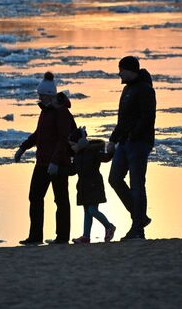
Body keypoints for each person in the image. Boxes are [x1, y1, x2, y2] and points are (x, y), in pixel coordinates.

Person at [15, 72, 77, 245]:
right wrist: (23, 148)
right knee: (35, 197)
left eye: (41, 94)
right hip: (42, 163)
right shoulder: (46, 111)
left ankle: (62, 237)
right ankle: (35, 236)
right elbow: (38, 135)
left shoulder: (61, 113)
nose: (39, 97)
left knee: (61, 200)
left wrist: (55, 162)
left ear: (49, 95)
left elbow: (63, 139)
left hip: (57, 164)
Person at [107, 56, 156, 240]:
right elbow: (122, 121)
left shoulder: (145, 89)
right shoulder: (127, 90)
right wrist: (113, 140)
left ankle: (137, 229)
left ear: (131, 70)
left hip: (139, 143)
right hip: (124, 143)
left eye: (122, 69)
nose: (119, 73)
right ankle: (140, 217)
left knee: (137, 185)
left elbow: (147, 117)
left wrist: (134, 134)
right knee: (114, 179)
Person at [68, 127, 116, 244]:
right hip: (83, 186)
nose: (72, 147)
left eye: (73, 144)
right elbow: (73, 170)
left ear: (81, 142)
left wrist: (112, 151)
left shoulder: (93, 151)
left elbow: (105, 158)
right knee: (87, 211)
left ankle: (109, 226)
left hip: (94, 184)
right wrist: (60, 169)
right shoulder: (77, 155)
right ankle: (86, 236)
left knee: (92, 210)